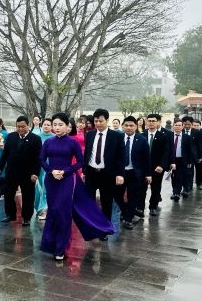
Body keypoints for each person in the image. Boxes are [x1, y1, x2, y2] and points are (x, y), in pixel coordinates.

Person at [39, 113, 114, 261]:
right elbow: (41, 159)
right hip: (51, 180)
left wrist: (65, 172)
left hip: (67, 180)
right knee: (53, 210)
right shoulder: (48, 143)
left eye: (60, 125)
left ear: (68, 127)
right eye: (55, 125)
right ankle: (50, 245)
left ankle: (61, 248)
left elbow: (80, 162)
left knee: (63, 212)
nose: (57, 127)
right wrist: (51, 171)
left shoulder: (72, 143)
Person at [83, 108, 125, 239]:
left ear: (107, 120)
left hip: (107, 174)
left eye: (101, 121)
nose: (98, 123)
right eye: (96, 121)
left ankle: (103, 229)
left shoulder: (117, 136)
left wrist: (120, 174)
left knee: (106, 202)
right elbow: (87, 153)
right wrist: (84, 171)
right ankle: (91, 226)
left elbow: (121, 156)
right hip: (91, 173)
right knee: (89, 201)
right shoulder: (89, 135)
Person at [0, 116, 42, 225]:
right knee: (8, 194)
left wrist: (35, 173)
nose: (21, 129)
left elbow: (38, 158)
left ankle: (26, 217)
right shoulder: (11, 136)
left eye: (23, 127)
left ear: (28, 126)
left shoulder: (35, 139)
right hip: (12, 171)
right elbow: (5, 153)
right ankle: (10, 214)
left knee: (28, 195)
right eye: (18, 127)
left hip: (28, 173)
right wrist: (0, 167)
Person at [114, 116, 151, 230]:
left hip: (135, 173)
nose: (129, 128)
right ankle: (126, 211)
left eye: (131, 125)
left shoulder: (142, 140)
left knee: (133, 196)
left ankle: (128, 219)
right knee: (117, 195)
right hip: (120, 173)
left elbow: (147, 158)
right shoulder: (117, 138)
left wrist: (148, 174)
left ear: (136, 126)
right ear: (122, 126)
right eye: (126, 125)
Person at [140, 113, 171, 217]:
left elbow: (166, 153)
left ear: (158, 122)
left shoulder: (163, 136)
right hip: (143, 167)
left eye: (154, 121)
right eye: (149, 121)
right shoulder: (141, 135)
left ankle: (153, 207)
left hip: (156, 167)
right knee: (141, 188)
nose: (151, 123)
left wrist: (162, 165)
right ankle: (140, 208)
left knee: (156, 188)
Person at [169, 119, 197, 201]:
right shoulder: (169, 136)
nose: (177, 127)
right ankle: (175, 191)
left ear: (182, 127)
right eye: (176, 125)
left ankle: (176, 193)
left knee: (179, 176)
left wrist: (190, 162)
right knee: (173, 177)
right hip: (172, 159)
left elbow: (190, 150)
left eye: (179, 125)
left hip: (182, 160)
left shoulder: (187, 137)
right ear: (173, 126)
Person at [34, 118, 54, 220]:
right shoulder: (37, 138)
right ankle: (38, 208)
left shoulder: (55, 138)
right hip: (38, 166)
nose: (46, 126)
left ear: (52, 126)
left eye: (48, 125)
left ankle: (44, 209)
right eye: (45, 124)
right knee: (37, 189)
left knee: (46, 188)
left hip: (50, 166)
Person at [190, 119, 202, 190]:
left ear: (200, 126)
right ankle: (189, 183)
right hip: (191, 155)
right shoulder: (189, 133)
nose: (196, 127)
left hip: (200, 154)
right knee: (189, 170)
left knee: (199, 169)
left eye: (197, 125)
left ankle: (199, 183)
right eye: (194, 125)